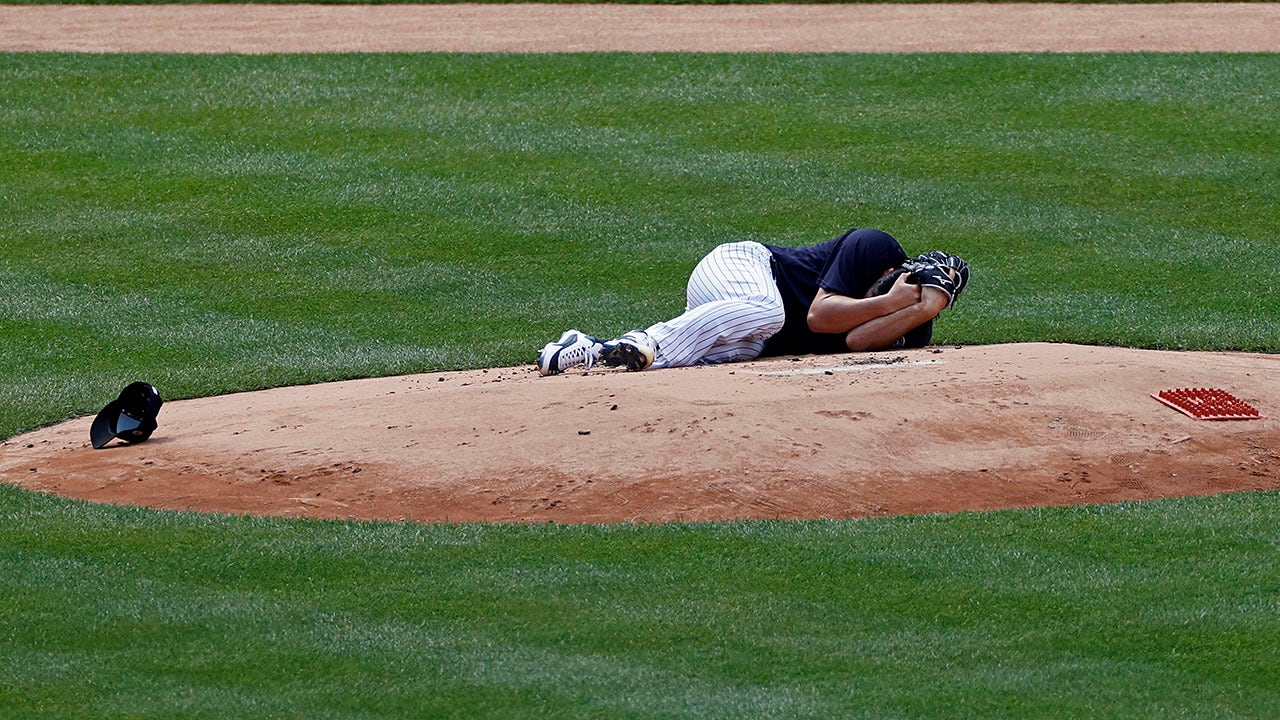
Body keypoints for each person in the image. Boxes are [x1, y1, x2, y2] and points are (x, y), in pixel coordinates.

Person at [536, 227, 968, 376]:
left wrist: (917, 309)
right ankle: (644, 336)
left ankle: (593, 348)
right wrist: (892, 299)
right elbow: (820, 318)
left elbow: (856, 342)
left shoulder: (915, 323)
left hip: (750, 331)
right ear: (902, 269)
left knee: (712, 359)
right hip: (742, 268)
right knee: (772, 309)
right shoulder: (873, 247)